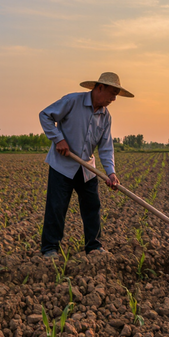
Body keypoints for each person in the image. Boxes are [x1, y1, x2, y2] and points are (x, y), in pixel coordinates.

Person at [38, 72, 134, 259]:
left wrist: (111, 173)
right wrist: (58, 139)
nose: (114, 99)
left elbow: (106, 147)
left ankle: (94, 246)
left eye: (116, 95)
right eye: (112, 93)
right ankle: (50, 248)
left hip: (86, 168)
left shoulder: (106, 117)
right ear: (99, 88)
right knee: (56, 208)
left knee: (92, 207)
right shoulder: (72, 101)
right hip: (62, 166)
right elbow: (45, 115)